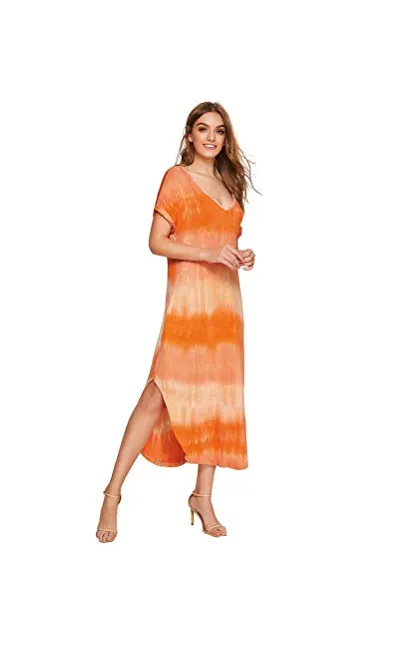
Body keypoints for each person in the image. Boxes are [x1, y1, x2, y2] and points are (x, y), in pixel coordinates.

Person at [96, 101, 257, 542]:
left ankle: (202, 496)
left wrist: (241, 255)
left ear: (225, 138)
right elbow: (157, 242)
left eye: (219, 131)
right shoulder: (177, 178)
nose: (211, 137)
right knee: (158, 394)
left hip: (226, 306)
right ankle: (112, 493)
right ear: (189, 135)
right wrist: (210, 253)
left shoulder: (229, 183)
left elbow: (224, 241)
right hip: (188, 305)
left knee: (218, 398)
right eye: (203, 129)